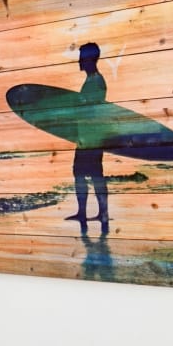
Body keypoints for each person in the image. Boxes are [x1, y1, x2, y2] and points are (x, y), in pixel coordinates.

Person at [64, 43, 110, 233]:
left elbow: (92, 111)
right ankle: (91, 213)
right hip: (86, 137)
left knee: (90, 175)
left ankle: (98, 213)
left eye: (82, 56)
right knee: (85, 174)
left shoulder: (96, 82)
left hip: (91, 138)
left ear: (91, 59)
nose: (80, 60)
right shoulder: (92, 80)